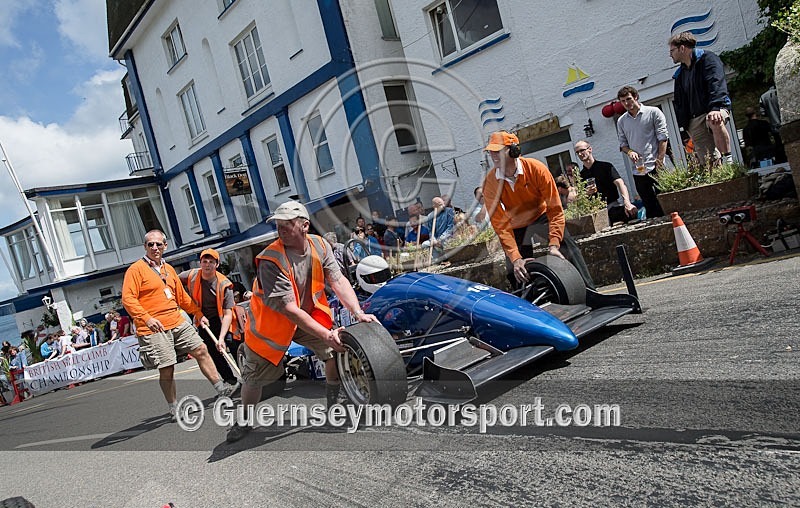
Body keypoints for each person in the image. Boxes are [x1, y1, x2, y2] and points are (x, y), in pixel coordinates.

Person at [226, 200, 379, 442]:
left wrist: (357, 312)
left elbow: (337, 280)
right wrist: (326, 333)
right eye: (278, 225)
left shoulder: (319, 245)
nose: (281, 230)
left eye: (287, 225)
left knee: (332, 351)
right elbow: (288, 309)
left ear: (304, 225)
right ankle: (244, 421)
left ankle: (334, 403)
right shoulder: (270, 260)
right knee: (254, 378)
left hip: (307, 316)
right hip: (271, 327)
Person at [122, 230, 239, 421]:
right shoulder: (136, 270)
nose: (155, 248)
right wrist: (147, 318)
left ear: (165, 246)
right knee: (167, 367)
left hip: (176, 320)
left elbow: (181, 297)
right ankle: (173, 407)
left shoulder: (168, 269)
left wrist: (197, 313)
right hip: (153, 327)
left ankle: (221, 388)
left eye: (158, 244)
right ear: (145, 247)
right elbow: (128, 299)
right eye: (150, 244)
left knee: (201, 349)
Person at [481, 131, 595, 289]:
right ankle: (529, 303)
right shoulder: (490, 183)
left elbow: (555, 209)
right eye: (490, 152)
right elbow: (500, 224)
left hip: (541, 215)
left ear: (513, 150)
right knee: (513, 270)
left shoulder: (536, 168)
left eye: (497, 151)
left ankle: (589, 290)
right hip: (516, 224)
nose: (493, 155)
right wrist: (515, 259)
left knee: (567, 246)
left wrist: (554, 244)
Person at [669, 31, 733, 165]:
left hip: (714, 108)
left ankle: (729, 160)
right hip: (694, 118)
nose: (670, 54)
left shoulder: (708, 59)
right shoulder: (680, 75)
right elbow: (681, 103)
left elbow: (716, 83)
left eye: (672, 50)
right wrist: (685, 125)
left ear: (682, 48)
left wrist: (715, 107)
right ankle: (717, 175)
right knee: (708, 160)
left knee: (714, 119)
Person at [178, 248, 239, 386]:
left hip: (223, 318)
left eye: (211, 262)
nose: (207, 264)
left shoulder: (225, 285)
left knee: (231, 344)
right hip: (204, 320)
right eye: (204, 261)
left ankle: (247, 378)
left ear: (216, 265)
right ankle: (230, 381)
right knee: (212, 350)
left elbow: (228, 314)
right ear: (200, 263)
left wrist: (222, 338)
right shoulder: (191, 275)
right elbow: (173, 281)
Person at [616, 85, 668, 218]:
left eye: (628, 99)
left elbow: (663, 137)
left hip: (656, 166)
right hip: (638, 169)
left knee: (664, 201)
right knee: (649, 205)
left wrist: (660, 161)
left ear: (636, 97)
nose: (626, 103)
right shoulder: (621, 121)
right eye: (623, 101)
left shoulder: (653, 112)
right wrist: (629, 152)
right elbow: (623, 145)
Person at [575, 140, 638, 224]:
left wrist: (627, 202)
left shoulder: (606, 167)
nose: (579, 154)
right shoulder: (580, 176)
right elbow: (578, 199)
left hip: (612, 207)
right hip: (595, 213)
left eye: (582, 150)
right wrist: (586, 193)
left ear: (590, 149)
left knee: (631, 213)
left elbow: (620, 183)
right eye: (577, 152)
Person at [760, 86, 787, 163]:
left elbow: (763, 113)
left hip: (775, 126)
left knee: (779, 145)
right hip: (785, 123)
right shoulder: (780, 92)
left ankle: (783, 162)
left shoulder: (763, 97)